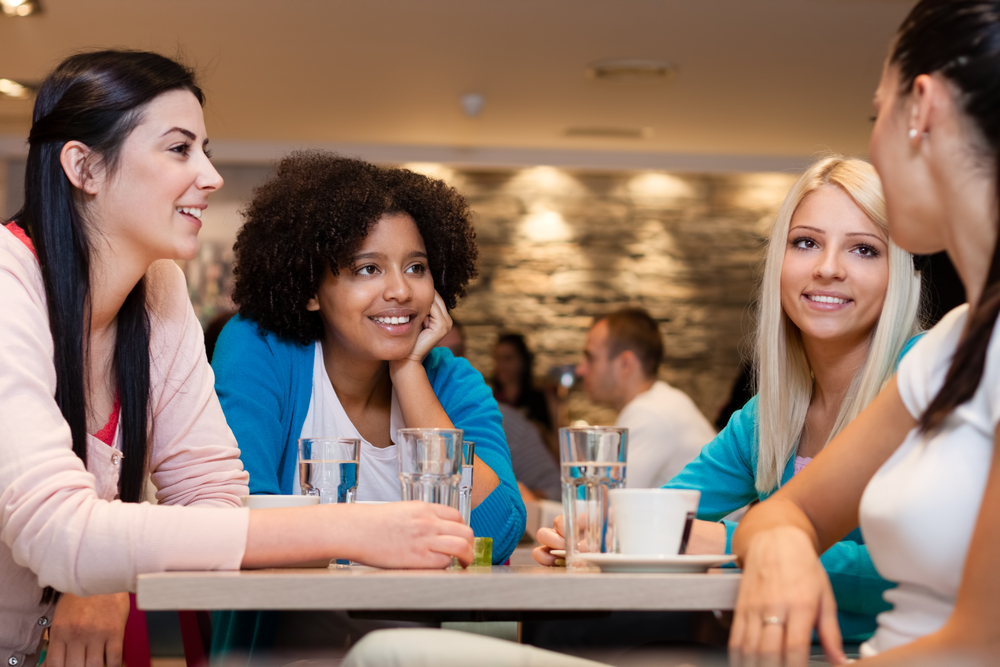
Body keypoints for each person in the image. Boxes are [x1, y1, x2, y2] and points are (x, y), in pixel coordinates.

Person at [0, 51, 473, 667]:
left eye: (206, 149)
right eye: (178, 149)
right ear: (83, 166)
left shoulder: (160, 289)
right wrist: (354, 528)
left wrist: (110, 565)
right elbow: (60, 532)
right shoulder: (9, 283)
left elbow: (213, 493)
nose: (211, 175)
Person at [535, 156, 925, 648]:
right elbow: (659, 515)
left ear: (900, 271)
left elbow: (923, 568)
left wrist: (730, 544)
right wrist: (592, 530)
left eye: (864, 250)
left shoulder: (927, 379)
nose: (828, 268)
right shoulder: (768, 417)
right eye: (806, 242)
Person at [730, 1, 1000, 664]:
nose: (873, 140)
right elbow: (786, 512)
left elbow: (980, 645)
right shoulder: (950, 348)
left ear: (922, 110)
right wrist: (782, 541)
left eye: (875, 114)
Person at [209, 152, 525, 652]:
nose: (399, 290)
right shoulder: (260, 348)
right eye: (368, 268)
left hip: (433, 645)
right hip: (291, 648)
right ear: (312, 289)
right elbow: (241, 513)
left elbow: (496, 529)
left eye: (416, 267)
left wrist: (408, 371)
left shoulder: (453, 381)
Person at [577, 308, 716, 488]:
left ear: (625, 364)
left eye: (590, 357)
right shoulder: (664, 401)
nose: (580, 369)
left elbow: (607, 505)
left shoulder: (649, 414)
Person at [491, 333, 554, 435]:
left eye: (507, 358)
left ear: (522, 361)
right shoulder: (491, 399)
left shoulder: (539, 399)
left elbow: (554, 441)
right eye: (497, 359)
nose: (501, 365)